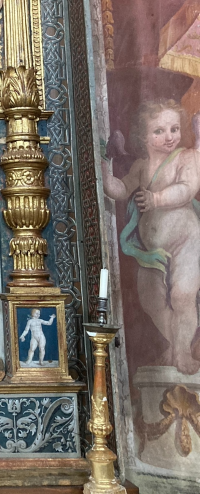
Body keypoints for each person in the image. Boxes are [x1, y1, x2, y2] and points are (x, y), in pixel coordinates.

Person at [102, 100, 200, 376]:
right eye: (159, 131)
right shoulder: (140, 167)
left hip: (187, 242)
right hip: (150, 251)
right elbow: (120, 190)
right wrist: (104, 165)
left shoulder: (186, 158)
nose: (169, 136)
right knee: (150, 299)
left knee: (182, 296)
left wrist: (156, 199)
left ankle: (182, 352)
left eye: (174, 129)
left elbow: (187, 188)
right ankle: (176, 343)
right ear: (142, 137)